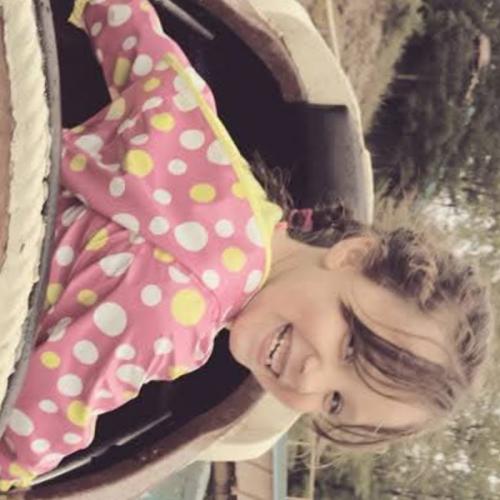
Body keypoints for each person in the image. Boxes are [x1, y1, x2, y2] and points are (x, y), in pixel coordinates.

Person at [0, 0, 491, 490]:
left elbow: (142, 50)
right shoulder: (182, 314)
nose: (309, 379)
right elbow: (43, 408)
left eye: (334, 402)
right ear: (354, 255)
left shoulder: (221, 166)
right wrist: (14, 473)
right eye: (349, 347)